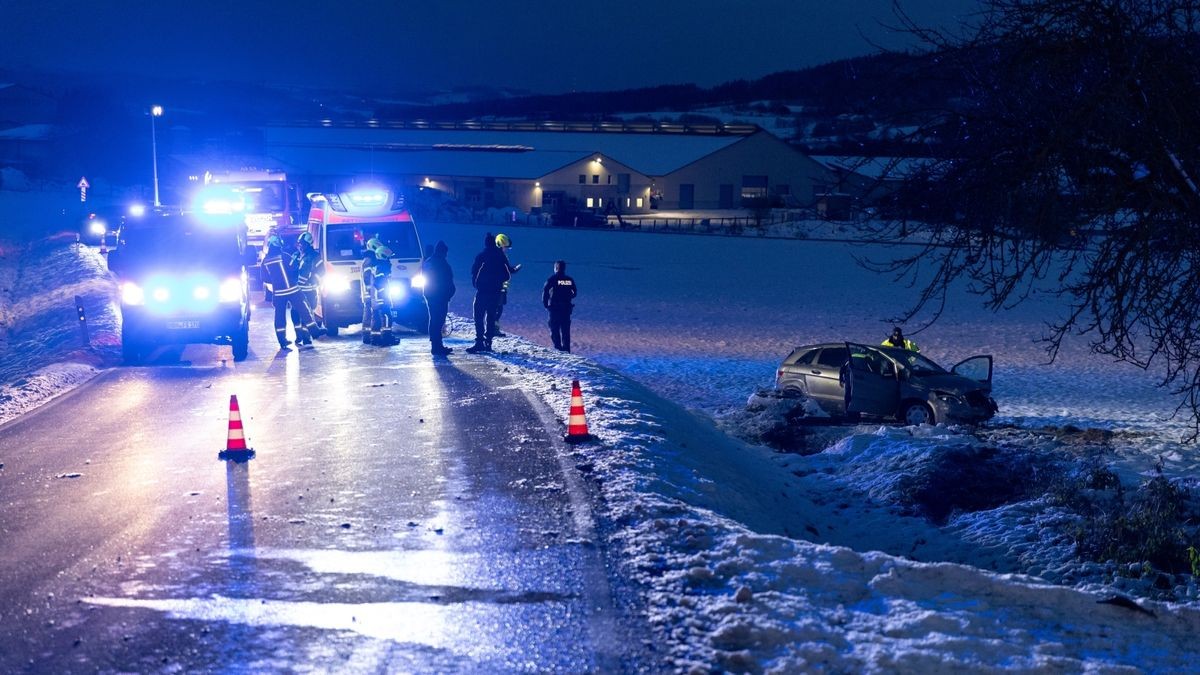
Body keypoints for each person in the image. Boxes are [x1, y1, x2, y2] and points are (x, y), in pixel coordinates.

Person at [261, 235, 317, 349]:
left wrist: (276, 281)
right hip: (293, 290)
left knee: (279, 317)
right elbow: (294, 268)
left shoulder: (265, 261)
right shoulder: (285, 256)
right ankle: (314, 331)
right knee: (304, 309)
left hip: (278, 293)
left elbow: (264, 278)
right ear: (279, 244)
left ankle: (282, 341)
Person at [467, 232, 509, 353]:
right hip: (495, 292)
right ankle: (488, 343)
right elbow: (507, 274)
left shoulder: (481, 256)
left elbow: (474, 271)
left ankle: (479, 342)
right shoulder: (501, 256)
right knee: (491, 317)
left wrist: (477, 284)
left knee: (479, 317)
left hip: (483, 291)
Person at [421, 240, 455, 355]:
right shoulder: (441, 263)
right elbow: (447, 280)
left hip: (431, 295)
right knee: (439, 320)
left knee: (434, 319)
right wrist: (448, 294)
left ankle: (435, 344)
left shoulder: (428, 262)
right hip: (440, 296)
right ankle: (437, 346)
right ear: (443, 252)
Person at [291, 232, 324, 337]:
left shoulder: (314, 256)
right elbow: (290, 269)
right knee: (295, 313)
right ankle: (299, 335)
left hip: (309, 291)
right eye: (299, 244)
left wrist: (313, 279)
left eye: (302, 244)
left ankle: (306, 338)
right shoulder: (296, 255)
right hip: (297, 290)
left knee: (307, 315)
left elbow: (319, 272)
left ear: (308, 244)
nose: (300, 246)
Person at [490, 232, 522, 338]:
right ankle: (493, 329)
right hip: (499, 288)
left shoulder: (495, 255)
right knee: (497, 309)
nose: (506, 249)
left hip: (498, 287)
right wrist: (516, 269)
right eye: (505, 247)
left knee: (496, 309)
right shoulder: (500, 257)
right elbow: (507, 270)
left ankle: (493, 328)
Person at [542, 259, 577, 352]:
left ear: (556, 268)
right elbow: (575, 292)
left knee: (554, 328)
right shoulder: (569, 280)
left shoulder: (552, 279)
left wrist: (546, 305)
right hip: (566, 308)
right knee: (565, 330)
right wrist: (568, 296)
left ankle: (558, 347)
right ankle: (566, 349)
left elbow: (545, 292)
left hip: (555, 308)